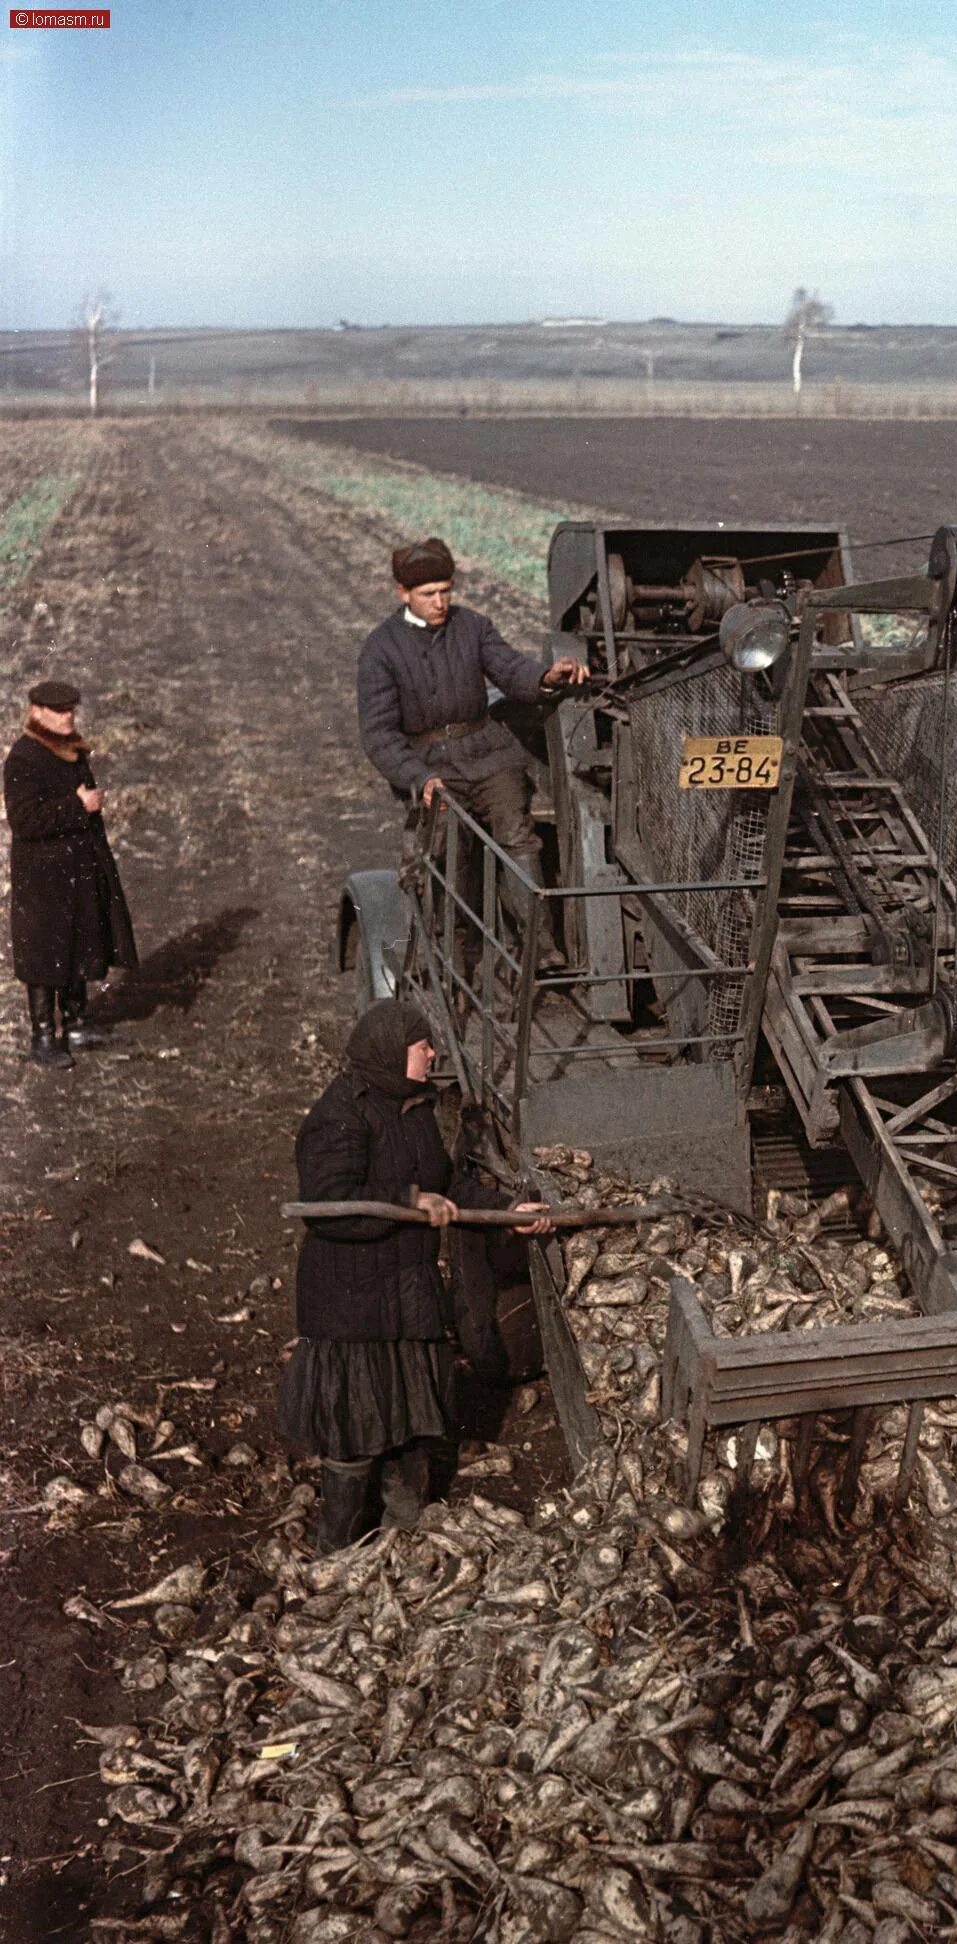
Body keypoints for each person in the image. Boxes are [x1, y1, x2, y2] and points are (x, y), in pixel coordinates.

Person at [278, 999, 551, 1552]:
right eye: (421, 1044)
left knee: (409, 1418)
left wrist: (505, 1214)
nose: (432, 1051)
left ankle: (404, 1540)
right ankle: (338, 1545)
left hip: (405, 1292)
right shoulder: (341, 1115)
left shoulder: (416, 1109)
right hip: (353, 1300)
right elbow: (328, 1203)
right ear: (388, 1053)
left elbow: (446, 1184)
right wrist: (405, 1200)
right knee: (355, 1427)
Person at [355, 538, 588, 972]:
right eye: (428, 594)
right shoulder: (381, 650)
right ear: (402, 594)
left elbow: (510, 669)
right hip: (431, 766)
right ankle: (455, 952)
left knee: (516, 832)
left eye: (446, 590)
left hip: (488, 754)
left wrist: (546, 676)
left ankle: (540, 947)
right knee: (448, 850)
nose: (440, 602)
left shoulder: (473, 627)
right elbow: (380, 735)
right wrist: (418, 778)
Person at [4, 679, 138, 1069]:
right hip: (42, 876)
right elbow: (24, 820)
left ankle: (77, 1022)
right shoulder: (24, 758)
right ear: (35, 712)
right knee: (45, 957)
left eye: (71, 710)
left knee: (79, 940)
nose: (68, 717)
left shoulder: (69, 751)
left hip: (76, 867)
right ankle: (43, 1035)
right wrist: (77, 806)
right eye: (59, 711)